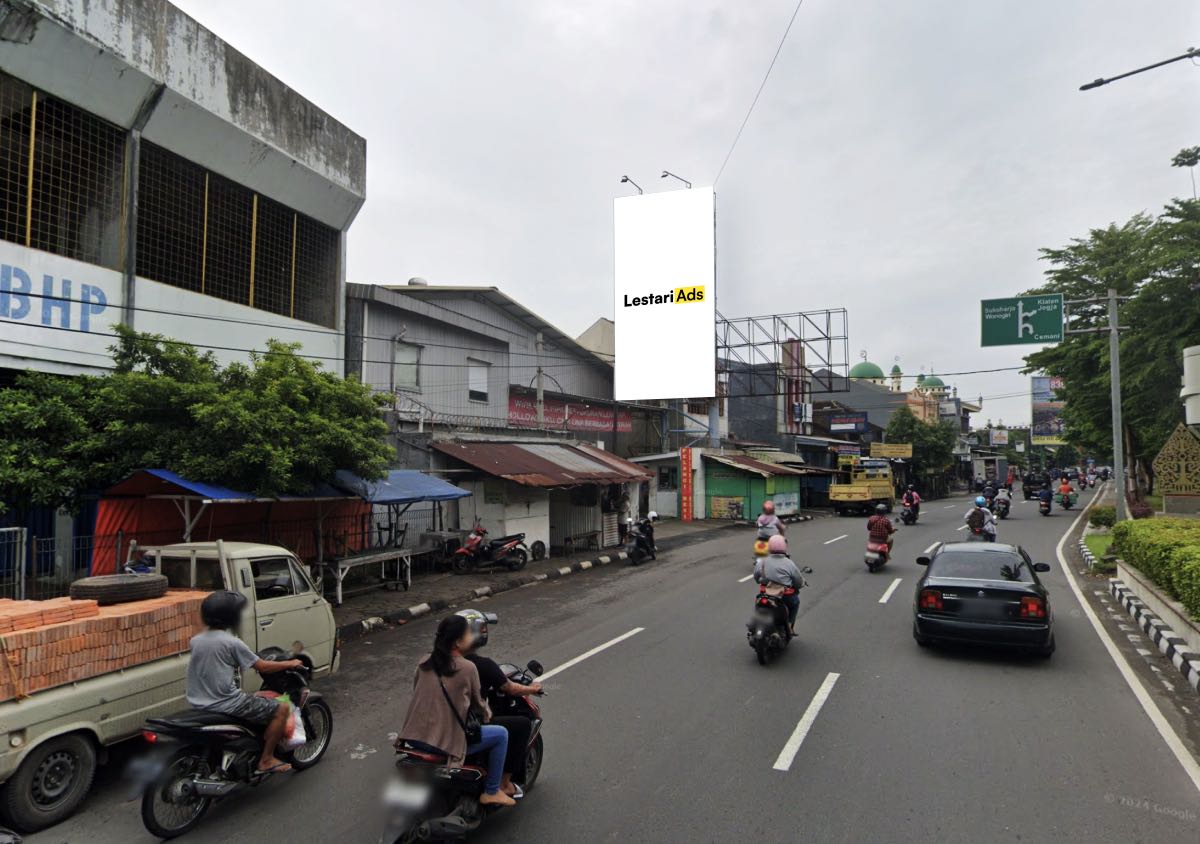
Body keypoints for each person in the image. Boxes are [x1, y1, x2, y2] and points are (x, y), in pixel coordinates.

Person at [397, 615, 515, 807]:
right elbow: (479, 706)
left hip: (413, 737)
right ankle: (492, 791)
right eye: (468, 633)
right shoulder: (468, 667)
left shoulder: (424, 661)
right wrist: (487, 714)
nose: (472, 636)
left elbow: (419, 691)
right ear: (458, 642)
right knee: (501, 734)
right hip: (442, 742)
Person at [186, 591, 305, 775]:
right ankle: (266, 759)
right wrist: (290, 662)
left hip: (199, 703)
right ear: (231, 617)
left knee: (255, 697)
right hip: (227, 704)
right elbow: (262, 666)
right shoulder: (232, 643)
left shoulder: (196, 641)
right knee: (282, 709)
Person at [458, 609, 541, 799]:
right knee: (519, 725)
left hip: (430, 729)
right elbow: (510, 688)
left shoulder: (431, 663)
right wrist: (533, 689)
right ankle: (501, 785)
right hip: (460, 730)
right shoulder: (478, 665)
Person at [752, 535, 805, 636]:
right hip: (784, 596)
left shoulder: (762, 561)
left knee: (758, 605)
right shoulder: (789, 563)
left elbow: (756, 577)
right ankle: (789, 626)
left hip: (765, 594)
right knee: (795, 603)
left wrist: (761, 581)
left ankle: (757, 621)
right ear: (784, 547)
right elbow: (798, 581)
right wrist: (801, 584)